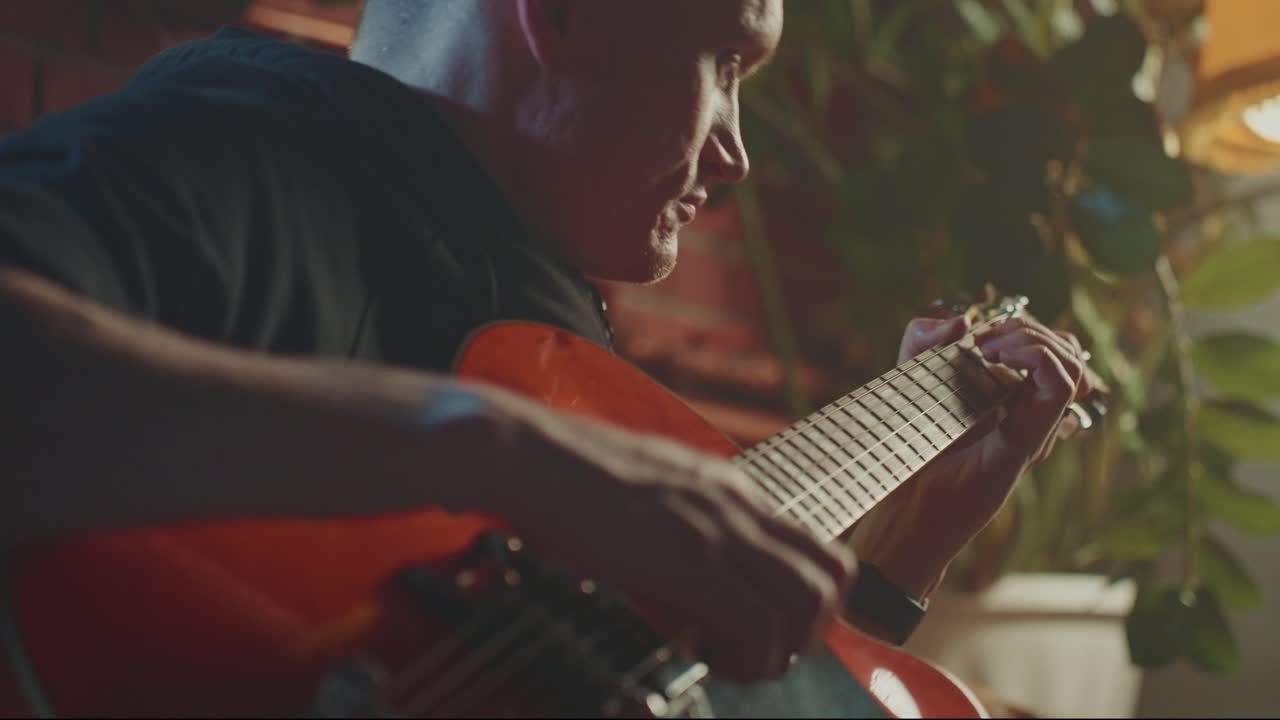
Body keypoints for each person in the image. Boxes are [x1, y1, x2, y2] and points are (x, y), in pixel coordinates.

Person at [0, 0, 1094, 684]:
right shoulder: (234, 160)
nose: (737, 155)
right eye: (724, 61)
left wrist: (906, 549)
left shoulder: (537, 316)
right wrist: (496, 449)